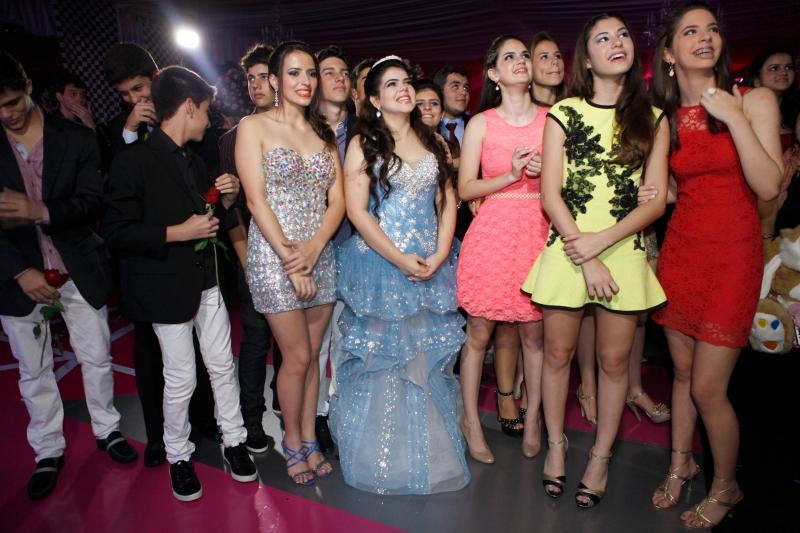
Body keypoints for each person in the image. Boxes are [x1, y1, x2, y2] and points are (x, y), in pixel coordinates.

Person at [522, 12, 669, 508]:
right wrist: (584, 253)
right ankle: (557, 445)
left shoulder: (653, 117)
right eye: (602, 38)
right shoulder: (564, 113)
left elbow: (654, 201)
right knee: (557, 354)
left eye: (622, 34)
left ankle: (601, 457)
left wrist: (601, 243)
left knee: (613, 362)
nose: (616, 43)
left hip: (622, 248)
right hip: (569, 247)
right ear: (586, 58)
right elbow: (550, 193)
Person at [646, 3, 783, 528]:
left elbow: (767, 185)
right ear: (669, 53)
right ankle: (680, 465)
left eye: (712, 29)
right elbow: (673, 189)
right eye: (690, 31)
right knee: (681, 373)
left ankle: (727, 487)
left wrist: (733, 118)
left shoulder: (755, 100)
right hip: (683, 250)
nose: (705, 37)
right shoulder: (665, 117)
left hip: (733, 255)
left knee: (707, 388)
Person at [103, 66, 257, 501]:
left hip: (208, 281)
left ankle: (235, 441)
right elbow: (115, 231)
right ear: (189, 107)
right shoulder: (133, 160)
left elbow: (210, 219)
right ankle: (178, 456)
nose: (208, 120)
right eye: (205, 111)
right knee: (181, 377)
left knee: (222, 366)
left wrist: (228, 198)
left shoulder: (195, 159)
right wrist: (175, 233)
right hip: (164, 288)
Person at [0, 52, 137, 501]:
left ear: (27, 87)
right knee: (33, 369)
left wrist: (39, 210)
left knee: (95, 356)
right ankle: (48, 450)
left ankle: (107, 430)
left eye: (12, 102)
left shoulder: (75, 137)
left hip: (76, 265)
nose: (7, 114)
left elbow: (92, 202)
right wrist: (20, 271)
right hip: (18, 277)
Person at [330, 55, 470, 494]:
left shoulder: (433, 140)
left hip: (431, 262)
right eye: (391, 84)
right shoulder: (363, 144)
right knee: (385, 361)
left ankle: (430, 456)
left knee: (428, 363)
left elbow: (446, 199)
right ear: (374, 99)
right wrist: (399, 259)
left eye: (405, 82)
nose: (403, 89)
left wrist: (441, 252)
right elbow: (357, 211)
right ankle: (383, 459)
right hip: (382, 264)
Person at [102, 42, 217, 467]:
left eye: (138, 88)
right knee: (153, 357)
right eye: (124, 94)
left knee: (201, 353)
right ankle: (159, 438)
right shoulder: (119, 130)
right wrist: (130, 132)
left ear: (155, 77)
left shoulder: (190, 103)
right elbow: (113, 199)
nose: (134, 99)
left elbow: (203, 163)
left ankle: (202, 421)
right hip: (146, 265)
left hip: (190, 264)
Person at [236, 40, 344, 486]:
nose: (306, 81)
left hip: (320, 254)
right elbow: (255, 201)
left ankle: (310, 439)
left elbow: (338, 201)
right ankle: (292, 439)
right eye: (295, 73)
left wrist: (315, 248)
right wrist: (292, 260)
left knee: (314, 356)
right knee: (295, 356)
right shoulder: (253, 127)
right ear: (276, 80)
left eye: (311, 73)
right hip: (275, 256)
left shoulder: (323, 133)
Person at [456, 35, 550, 464]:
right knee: (480, 332)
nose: (520, 61)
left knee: (534, 334)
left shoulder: (553, 119)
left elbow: (569, 184)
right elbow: (465, 188)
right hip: (492, 231)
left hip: (538, 229)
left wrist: (547, 172)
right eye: (509, 57)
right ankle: (471, 421)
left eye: (524, 55)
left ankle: (533, 421)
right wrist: (511, 175)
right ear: (494, 73)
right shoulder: (481, 123)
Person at [218, 43, 280, 454]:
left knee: (293, 345)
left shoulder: (301, 132)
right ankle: (252, 419)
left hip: (298, 254)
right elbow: (231, 209)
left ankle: (287, 405)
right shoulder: (233, 138)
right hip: (253, 254)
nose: (256, 85)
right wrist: (246, 261)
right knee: (256, 340)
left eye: (263, 77)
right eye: (250, 79)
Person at [313, 44, 359, 454]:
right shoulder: (303, 130)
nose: (339, 78)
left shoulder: (365, 130)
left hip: (358, 249)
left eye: (344, 72)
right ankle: (316, 415)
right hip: (318, 248)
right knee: (316, 342)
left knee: (348, 340)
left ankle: (341, 411)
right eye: (329, 72)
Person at [434, 66, 470, 145]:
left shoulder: (477, 125)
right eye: (455, 86)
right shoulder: (429, 127)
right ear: (439, 92)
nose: (464, 92)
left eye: (466, 88)